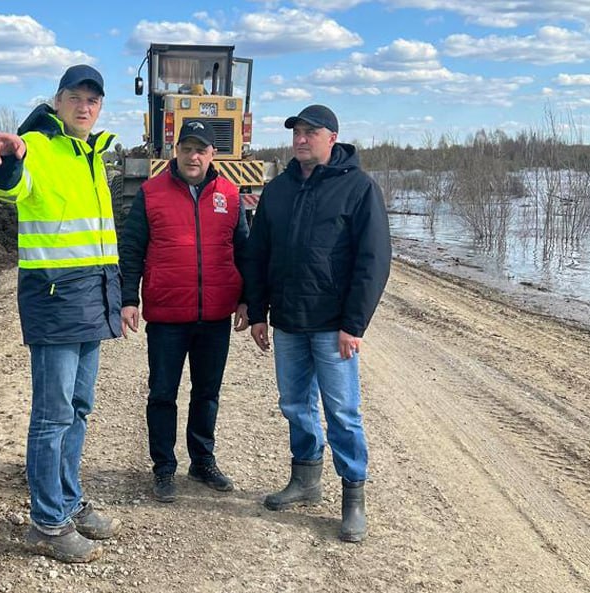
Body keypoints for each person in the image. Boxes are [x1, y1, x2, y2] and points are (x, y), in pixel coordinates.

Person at [0, 64, 122, 563]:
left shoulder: (90, 154)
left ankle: (67, 498)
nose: (85, 107)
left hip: (91, 297)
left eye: (94, 100)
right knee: (52, 415)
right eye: (76, 97)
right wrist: (6, 163)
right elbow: (5, 188)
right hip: (55, 298)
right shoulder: (36, 144)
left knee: (79, 409)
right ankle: (46, 522)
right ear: (58, 101)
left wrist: (116, 297)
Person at [245, 104, 391, 542]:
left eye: (311, 132)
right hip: (289, 322)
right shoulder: (279, 190)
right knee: (295, 405)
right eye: (297, 133)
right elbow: (259, 254)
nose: (301, 139)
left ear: (332, 137)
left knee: (343, 412)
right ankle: (306, 480)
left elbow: (373, 261)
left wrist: (354, 324)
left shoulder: (359, 188)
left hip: (333, 326)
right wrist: (258, 312)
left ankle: (353, 498)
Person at [119, 119, 250, 503]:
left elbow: (244, 250)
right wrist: (130, 298)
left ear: (212, 154)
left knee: (207, 392)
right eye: (187, 148)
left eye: (202, 149)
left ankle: (202, 460)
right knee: (162, 393)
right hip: (166, 315)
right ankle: (163, 467)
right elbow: (131, 248)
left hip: (215, 316)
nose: (194, 156)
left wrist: (248, 299)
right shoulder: (151, 193)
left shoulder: (230, 193)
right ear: (175, 151)